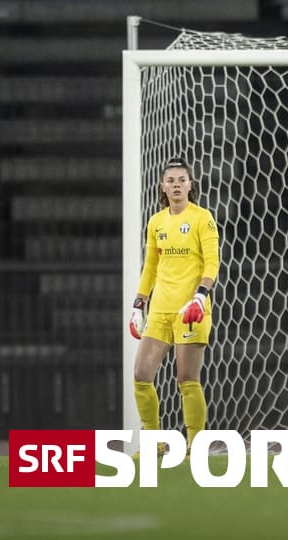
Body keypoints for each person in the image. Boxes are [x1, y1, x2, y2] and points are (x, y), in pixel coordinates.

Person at [128, 158, 220, 456]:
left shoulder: (202, 218)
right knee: (142, 375)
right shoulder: (157, 222)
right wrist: (138, 303)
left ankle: (196, 443)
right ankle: (155, 443)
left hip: (191, 310)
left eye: (182, 179)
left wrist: (200, 296)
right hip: (160, 310)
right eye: (171, 180)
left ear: (191, 185)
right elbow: (151, 266)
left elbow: (211, 262)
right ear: (162, 187)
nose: (177, 184)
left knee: (187, 379)